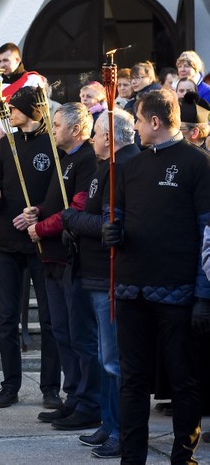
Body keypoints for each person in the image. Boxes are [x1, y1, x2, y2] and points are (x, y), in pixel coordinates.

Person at [102, 89, 210, 463]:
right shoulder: (130, 166)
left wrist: (203, 295)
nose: (132, 126)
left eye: (136, 119)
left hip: (179, 292)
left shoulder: (199, 164)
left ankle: (184, 457)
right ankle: (132, 459)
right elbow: (118, 216)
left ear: (154, 121)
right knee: (133, 382)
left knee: (183, 381)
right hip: (131, 289)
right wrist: (111, 231)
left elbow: (209, 232)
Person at [60, 110, 139, 459]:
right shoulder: (100, 167)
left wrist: (71, 218)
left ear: (110, 136)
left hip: (110, 275)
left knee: (113, 360)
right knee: (105, 357)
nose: (92, 139)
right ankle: (108, 423)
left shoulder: (123, 168)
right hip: (90, 271)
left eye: (96, 134)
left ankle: (122, 430)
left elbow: (109, 223)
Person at [0, 86, 62, 410]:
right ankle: (10, 384)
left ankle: (50, 388)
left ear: (30, 110)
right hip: (5, 242)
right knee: (7, 319)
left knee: (49, 319)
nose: (9, 112)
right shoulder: (6, 143)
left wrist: (39, 211)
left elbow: (59, 192)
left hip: (39, 242)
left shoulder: (52, 146)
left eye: (14, 108)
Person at [26, 102, 100, 431]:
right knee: (62, 333)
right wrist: (38, 212)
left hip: (72, 259)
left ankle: (87, 400)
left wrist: (41, 228)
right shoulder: (64, 158)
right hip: (51, 259)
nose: (52, 129)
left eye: (57, 124)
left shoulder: (86, 160)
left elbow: (78, 208)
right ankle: (72, 396)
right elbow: (58, 202)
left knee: (79, 334)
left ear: (76, 129)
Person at [0, 43, 46, 155]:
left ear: (17, 60)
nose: (2, 65)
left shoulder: (33, 80)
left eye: (6, 60)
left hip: (23, 139)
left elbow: (37, 112)